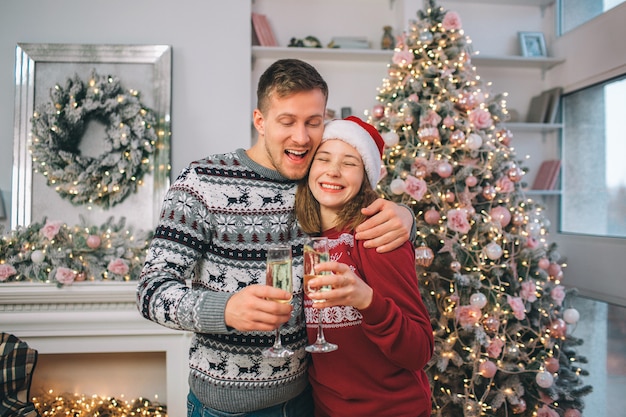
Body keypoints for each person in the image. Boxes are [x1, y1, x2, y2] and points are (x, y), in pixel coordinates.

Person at [136, 58, 416, 417]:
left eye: (313, 123)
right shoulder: (201, 182)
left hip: (306, 401)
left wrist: (406, 217)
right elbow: (151, 291)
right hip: (225, 410)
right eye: (287, 121)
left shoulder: (316, 183)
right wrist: (225, 310)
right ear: (260, 121)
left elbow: (358, 212)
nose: (301, 137)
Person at [295, 116, 434, 417]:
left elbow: (419, 350)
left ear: (365, 178)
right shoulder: (305, 238)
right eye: (324, 158)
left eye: (349, 163)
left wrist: (366, 301)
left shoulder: (377, 235)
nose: (333, 170)